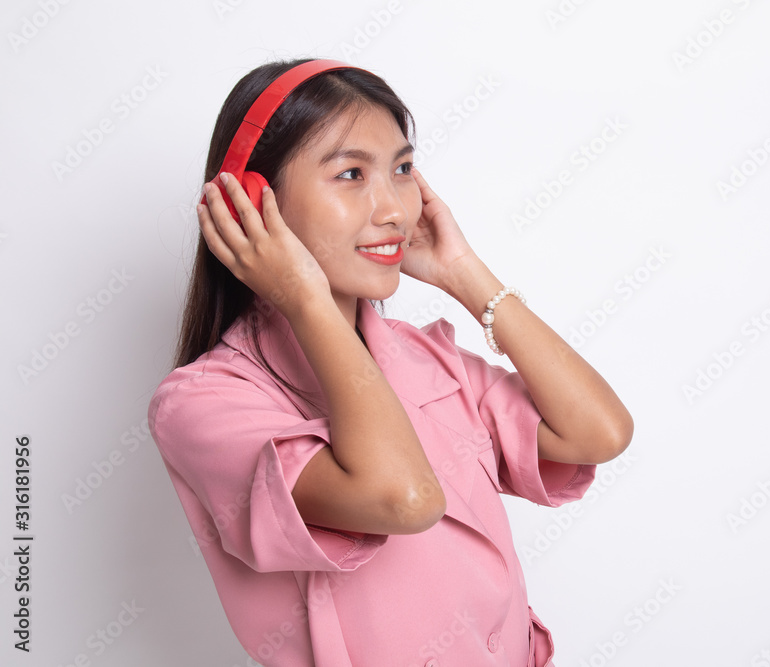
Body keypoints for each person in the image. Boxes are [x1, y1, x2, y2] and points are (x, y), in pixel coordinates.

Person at [148, 58, 633, 667]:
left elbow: (598, 432)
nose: (395, 210)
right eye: (351, 173)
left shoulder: (425, 358)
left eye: (402, 169)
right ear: (250, 203)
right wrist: (303, 297)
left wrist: (465, 274)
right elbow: (404, 498)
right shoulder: (203, 404)